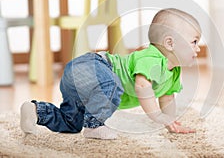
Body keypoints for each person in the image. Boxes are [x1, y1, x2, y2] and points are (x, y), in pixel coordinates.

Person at [20, 8, 201, 140]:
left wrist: (170, 121)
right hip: (93, 67)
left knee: (71, 123)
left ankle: (36, 111)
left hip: (81, 83)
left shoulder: (174, 72)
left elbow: (167, 98)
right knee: (114, 85)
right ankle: (94, 127)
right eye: (194, 42)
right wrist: (156, 116)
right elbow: (142, 86)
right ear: (169, 43)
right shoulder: (152, 57)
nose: (198, 48)